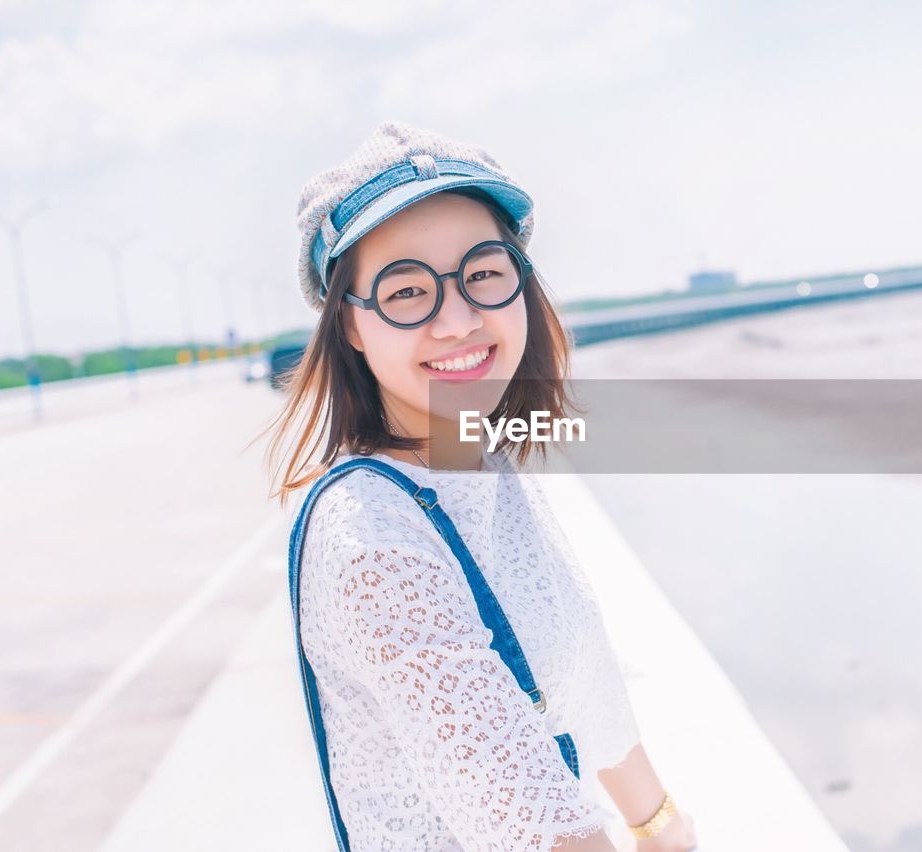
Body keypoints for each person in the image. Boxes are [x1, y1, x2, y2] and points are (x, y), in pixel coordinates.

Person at [259, 122, 698, 852]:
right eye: (407, 292)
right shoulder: (372, 543)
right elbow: (537, 826)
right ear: (353, 327)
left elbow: (584, 673)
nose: (457, 320)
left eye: (484, 274)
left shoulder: (478, 458)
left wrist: (661, 827)